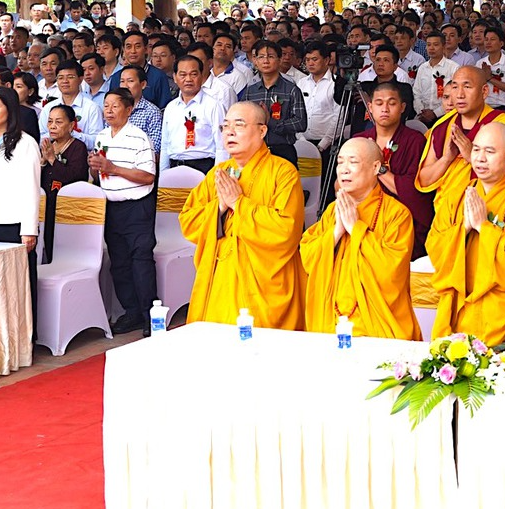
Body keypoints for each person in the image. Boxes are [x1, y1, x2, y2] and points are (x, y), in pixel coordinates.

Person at [178, 102, 305, 328]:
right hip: (222, 275)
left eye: (239, 125)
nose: (230, 132)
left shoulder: (283, 172)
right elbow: (188, 219)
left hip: (263, 278)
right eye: (225, 126)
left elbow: (287, 228)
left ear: (262, 131)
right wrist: (219, 208)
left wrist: (239, 203)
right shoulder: (218, 173)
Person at [426, 121, 505, 345]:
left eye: (490, 152)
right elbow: (435, 248)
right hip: (459, 315)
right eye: (476, 149)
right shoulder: (456, 197)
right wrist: (464, 229)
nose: (479, 158)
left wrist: (484, 228)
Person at [299, 137, 419, 339]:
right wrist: (336, 232)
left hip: (376, 326)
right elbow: (308, 257)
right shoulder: (332, 211)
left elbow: (391, 270)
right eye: (340, 162)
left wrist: (355, 228)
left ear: (375, 167)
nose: (344, 169)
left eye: (353, 162)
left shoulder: (396, 214)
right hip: (330, 320)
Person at [0, 87, 43, 333]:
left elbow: (31, 188)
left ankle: (25, 335)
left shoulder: (26, 143)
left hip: (15, 222)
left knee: (18, 283)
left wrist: (29, 229)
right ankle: (0, 335)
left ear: (9, 109)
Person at [91, 90, 159, 335]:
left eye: (114, 106)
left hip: (137, 207)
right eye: (106, 105)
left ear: (129, 110)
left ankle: (150, 315)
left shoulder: (139, 138)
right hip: (110, 206)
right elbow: (100, 172)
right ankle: (131, 313)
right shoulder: (101, 135)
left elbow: (148, 176)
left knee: (140, 261)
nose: (108, 110)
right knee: (118, 264)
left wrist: (113, 168)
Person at [418, 65, 505, 208]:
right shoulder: (443, 125)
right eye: (455, 87)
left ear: (484, 91)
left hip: (488, 212)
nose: (460, 94)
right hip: (445, 216)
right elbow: (424, 180)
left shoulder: (504, 125)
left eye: (467, 87)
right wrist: (447, 158)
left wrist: (471, 156)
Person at [352, 81, 430, 256]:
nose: (385, 108)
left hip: (399, 222)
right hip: (363, 218)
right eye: (379, 103)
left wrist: (378, 168)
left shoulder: (415, 141)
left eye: (392, 103)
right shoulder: (360, 140)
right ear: (370, 107)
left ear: (402, 107)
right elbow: (341, 184)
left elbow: (414, 191)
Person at [235, 42, 306, 165]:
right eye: (261, 57)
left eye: (271, 56)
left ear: (279, 60)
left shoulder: (291, 89)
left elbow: (301, 123)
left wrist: (271, 122)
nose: (266, 61)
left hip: (283, 151)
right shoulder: (250, 91)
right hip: (255, 152)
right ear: (255, 61)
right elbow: (241, 120)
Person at [36, 104, 90, 264]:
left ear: (72, 125)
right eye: (50, 121)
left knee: (67, 253)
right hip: (47, 208)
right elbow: (36, 179)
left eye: (58, 122)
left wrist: (53, 159)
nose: (52, 126)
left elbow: (75, 178)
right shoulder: (47, 146)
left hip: (69, 209)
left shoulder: (78, 147)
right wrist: (43, 162)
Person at [160, 55, 226, 175]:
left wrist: (217, 177)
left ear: (202, 76)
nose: (188, 79)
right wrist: (163, 174)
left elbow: (222, 146)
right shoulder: (171, 107)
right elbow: (165, 145)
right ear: (175, 77)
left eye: (193, 74)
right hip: (174, 168)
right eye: (183, 75)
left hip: (204, 168)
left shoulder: (214, 105)